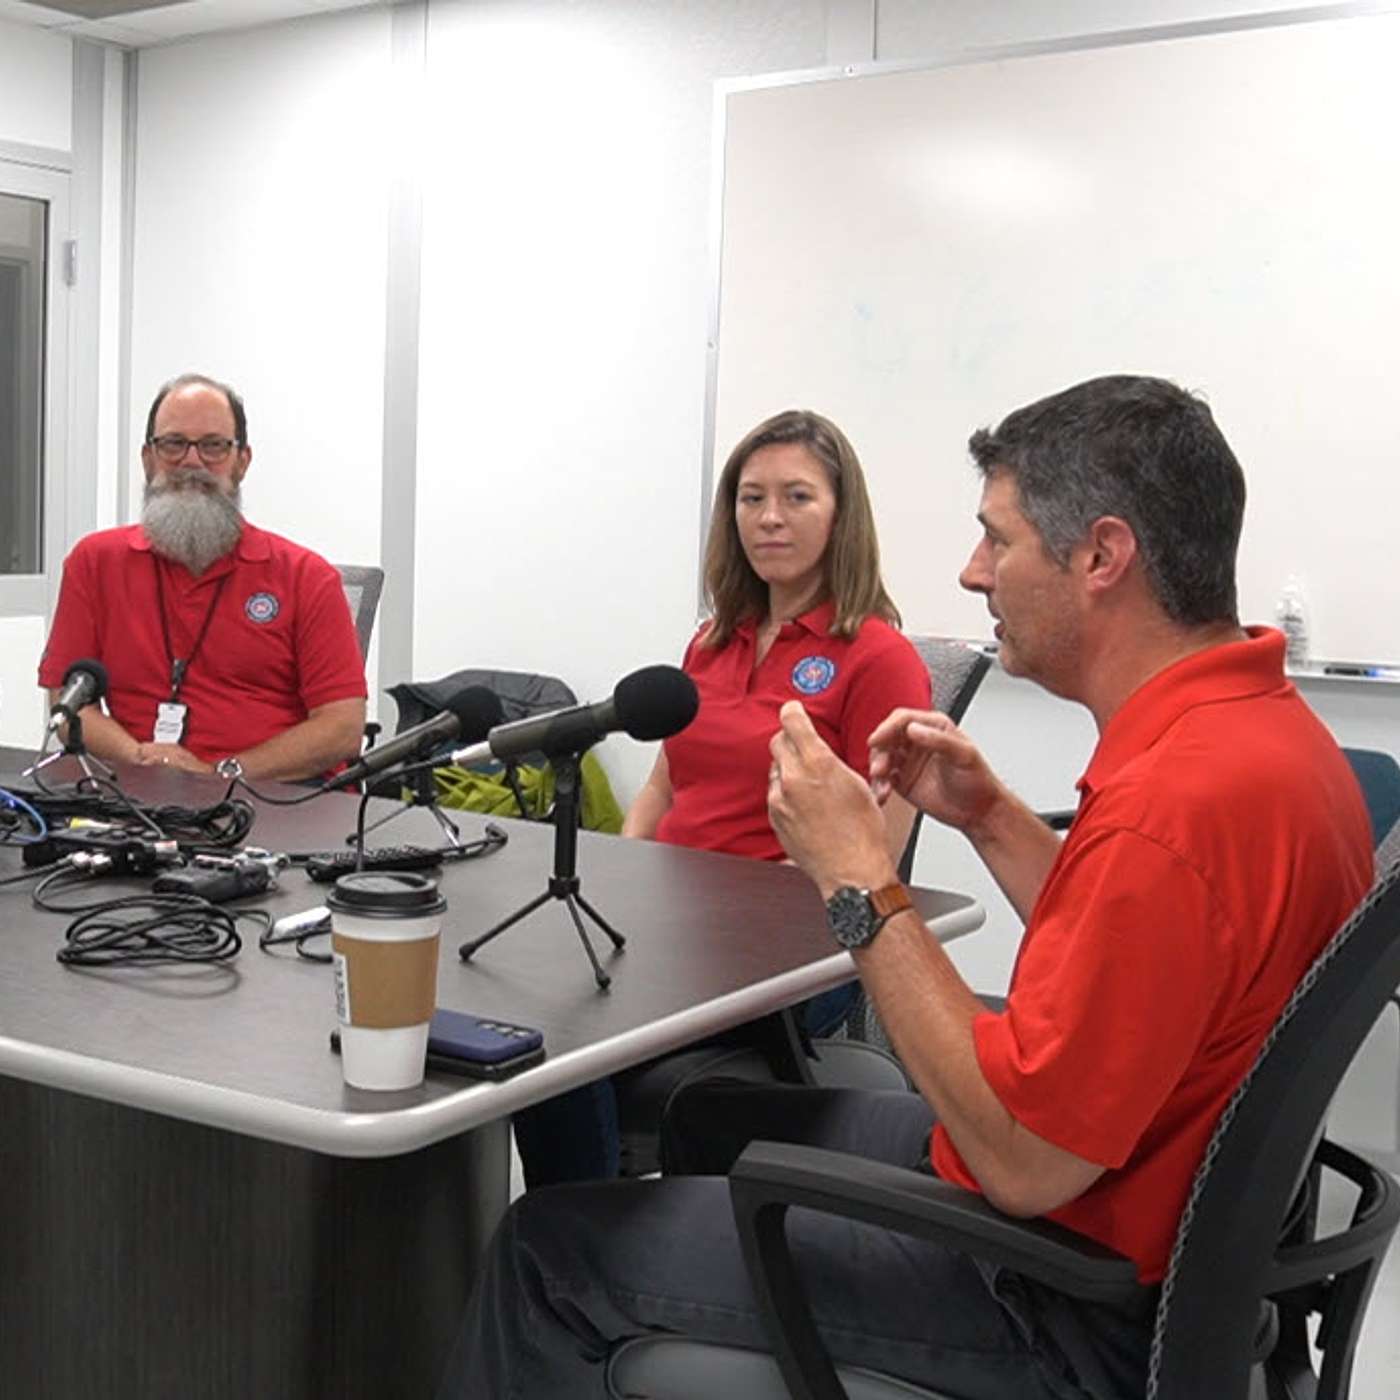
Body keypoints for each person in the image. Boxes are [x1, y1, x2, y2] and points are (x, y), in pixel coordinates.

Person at [437, 375, 1374, 1400]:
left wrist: (857, 876)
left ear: (1101, 556)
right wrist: (990, 816)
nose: (972, 572)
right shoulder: (1260, 740)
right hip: (1125, 1208)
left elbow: (1021, 1161)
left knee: (546, 1247)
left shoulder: (1169, 809)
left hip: (1056, 1294)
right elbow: (1143, 957)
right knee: (712, 1121)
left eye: (997, 539)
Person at [511, 409, 932, 1187]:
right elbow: (665, 784)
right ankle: (572, 1225)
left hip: (794, 952)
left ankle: (587, 1232)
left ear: (841, 515)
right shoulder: (710, 643)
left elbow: (876, 851)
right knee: (522, 1016)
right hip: (670, 928)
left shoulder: (880, 657)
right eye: (751, 497)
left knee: (568, 1044)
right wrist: (622, 879)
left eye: (797, 497)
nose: (769, 517)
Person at [38, 373, 367, 782]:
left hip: (269, 798)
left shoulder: (307, 577)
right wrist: (141, 758)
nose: (192, 462)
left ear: (242, 462)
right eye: (173, 443)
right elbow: (69, 703)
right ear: (148, 458)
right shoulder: (94, 563)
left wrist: (219, 775)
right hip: (136, 795)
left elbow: (342, 728)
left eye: (213, 446)